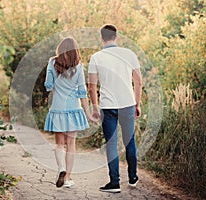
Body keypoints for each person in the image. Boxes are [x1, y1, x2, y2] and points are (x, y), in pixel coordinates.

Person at [88, 24, 142, 193]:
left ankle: (114, 183)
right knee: (130, 141)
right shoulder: (129, 54)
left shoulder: (96, 57)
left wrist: (95, 108)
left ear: (101, 38)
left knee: (111, 143)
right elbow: (138, 81)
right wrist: (137, 103)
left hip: (108, 106)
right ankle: (133, 178)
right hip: (127, 104)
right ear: (116, 37)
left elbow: (91, 86)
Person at [44, 37, 97, 188]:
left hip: (58, 108)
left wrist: (57, 90)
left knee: (59, 143)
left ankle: (61, 168)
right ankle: (67, 178)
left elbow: (48, 85)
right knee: (71, 143)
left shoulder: (52, 63)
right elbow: (82, 92)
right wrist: (88, 113)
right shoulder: (79, 66)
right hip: (74, 108)